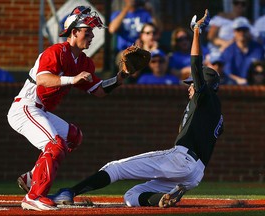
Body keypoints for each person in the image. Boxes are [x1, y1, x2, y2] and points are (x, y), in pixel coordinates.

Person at [48, 9, 224, 208]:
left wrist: (196, 32)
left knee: (114, 169)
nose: (190, 86)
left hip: (180, 159)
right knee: (132, 196)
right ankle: (162, 199)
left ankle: (69, 192)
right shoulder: (216, 113)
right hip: (194, 175)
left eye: (192, 83)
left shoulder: (205, 96)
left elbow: (195, 63)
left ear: (205, 84)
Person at [7, 6, 131, 211]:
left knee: (74, 137)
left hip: (40, 110)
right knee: (55, 146)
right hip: (25, 108)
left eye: (92, 32)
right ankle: (34, 196)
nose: (91, 35)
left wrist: (120, 78)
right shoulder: (56, 51)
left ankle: (32, 177)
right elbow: (43, 79)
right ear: (74, 32)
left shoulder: (83, 61)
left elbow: (99, 91)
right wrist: (72, 79)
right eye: (87, 31)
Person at [220, 17, 265, 85]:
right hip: (233, 88)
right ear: (234, 32)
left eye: (244, 30)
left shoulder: (258, 49)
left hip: (254, 87)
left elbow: (261, 69)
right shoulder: (228, 51)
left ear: (248, 31)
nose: (242, 33)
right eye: (239, 30)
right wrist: (239, 80)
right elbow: (227, 72)